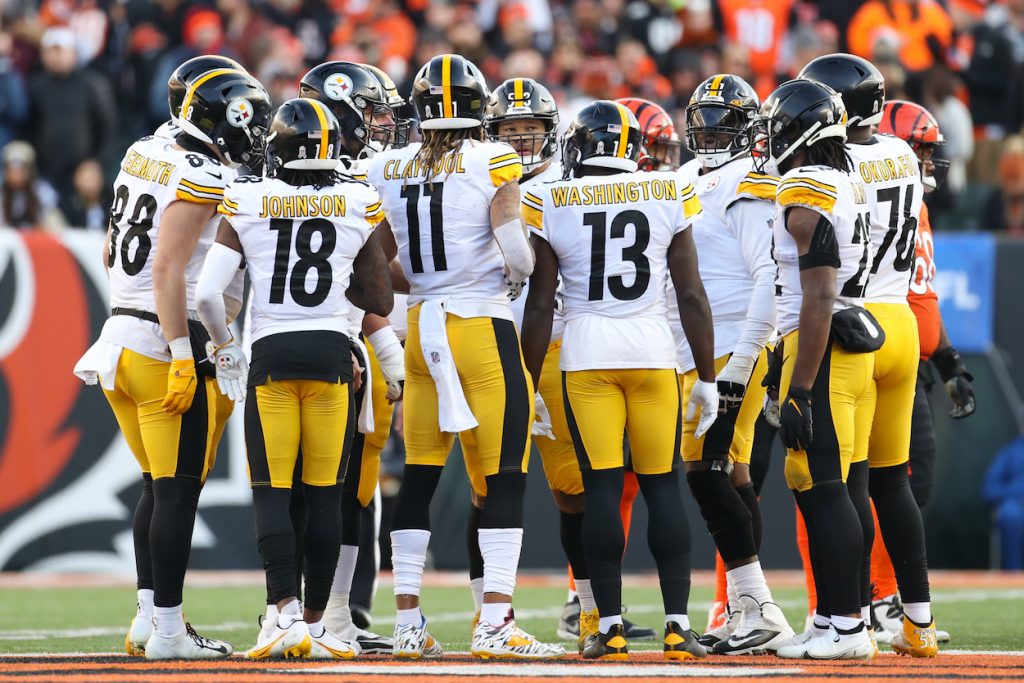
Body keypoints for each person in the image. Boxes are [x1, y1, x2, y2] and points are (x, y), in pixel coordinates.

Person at [366, 53, 564, 660]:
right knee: (504, 472)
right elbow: (516, 247)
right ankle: (496, 622)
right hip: (480, 326)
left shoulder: (387, 167)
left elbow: (384, 270)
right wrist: (508, 274)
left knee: (419, 474)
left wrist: (434, 280)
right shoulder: (491, 157)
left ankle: (405, 623)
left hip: (422, 326)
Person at [73, 66, 271, 660]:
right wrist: (186, 353)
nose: (257, 133)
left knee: (158, 490)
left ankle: (146, 619)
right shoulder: (202, 171)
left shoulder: (145, 149)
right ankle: (167, 631)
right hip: (165, 347)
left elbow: (114, 248)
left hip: (119, 338)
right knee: (178, 492)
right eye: (251, 121)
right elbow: (166, 269)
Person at [196, 97, 393, 660]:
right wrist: (335, 291)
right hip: (333, 357)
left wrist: (224, 347)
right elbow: (380, 296)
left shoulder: (250, 196)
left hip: (273, 355)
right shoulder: (356, 199)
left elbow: (210, 294)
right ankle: (318, 623)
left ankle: (281, 614)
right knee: (326, 495)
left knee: (273, 493)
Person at [521, 100, 716, 662]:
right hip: (652, 349)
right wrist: (705, 375)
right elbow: (691, 294)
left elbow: (540, 305)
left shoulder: (551, 197)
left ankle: (607, 627)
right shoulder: (668, 190)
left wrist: (529, 380)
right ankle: (678, 627)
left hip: (585, 353)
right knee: (661, 486)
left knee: (602, 489)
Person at [800, 53, 939, 658]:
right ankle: (919, 620)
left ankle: (849, 621)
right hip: (901, 322)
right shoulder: (904, 154)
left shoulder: (829, 165)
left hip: (851, 321)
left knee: (847, 480)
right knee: (893, 482)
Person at [752, 78, 876, 661]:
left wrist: (798, 387)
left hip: (819, 348)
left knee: (825, 489)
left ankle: (849, 626)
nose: (770, 136)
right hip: (840, 343)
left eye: (778, 124)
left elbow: (819, 291)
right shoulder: (843, 177)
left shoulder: (805, 185)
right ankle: (832, 617)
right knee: (828, 487)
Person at [675, 75, 793, 655]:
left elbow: (768, 278)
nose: (713, 130)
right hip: (694, 348)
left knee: (707, 472)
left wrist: (745, 359)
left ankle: (760, 604)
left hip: (730, 346)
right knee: (733, 471)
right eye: (707, 119)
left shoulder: (746, 182)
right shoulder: (683, 178)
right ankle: (743, 608)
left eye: (726, 120)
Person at [296, 60, 405, 656]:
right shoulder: (344, 186)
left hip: (301, 341)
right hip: (338, 340)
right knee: (330, 484)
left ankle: (326, 611)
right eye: (374, 110)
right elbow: (370, 280)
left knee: (352, 484)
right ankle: (319, 613)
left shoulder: (295, 173)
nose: (384, 123)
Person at [870, 98, 973, 644]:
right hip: (884, 359)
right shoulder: (880, 202)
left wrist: (948, 356)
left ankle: (884, 597)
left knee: (914, 483)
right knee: (887, 483)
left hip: (915, 361)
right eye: (921, 149)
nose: (929, 161)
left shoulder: (918, 206)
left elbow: (923, 293)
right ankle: (876, 597)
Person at [0, 140, 63, 230]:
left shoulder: (43, 191)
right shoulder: (2, 193)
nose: (16, 176)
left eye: (20, 171)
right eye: (12, 171)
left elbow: (54, 227)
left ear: (29, 170)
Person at [983, 437, 1024, 570]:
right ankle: (1013, 575)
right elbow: (989, 490)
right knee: (1009, 513)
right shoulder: (1011, 452)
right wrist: (1018, 489)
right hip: (1017, 505)